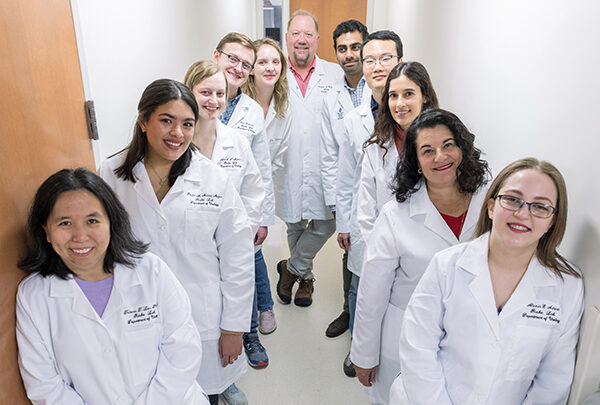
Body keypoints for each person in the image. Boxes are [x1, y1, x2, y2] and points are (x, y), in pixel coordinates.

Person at [99, 79, 254, 405]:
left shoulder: (212, 178)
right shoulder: (111, 175)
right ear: (143, 121)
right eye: (166, 120)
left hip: (204, 316)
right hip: (138, 314)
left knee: (202, 395)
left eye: (187, 124)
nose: (178, 133)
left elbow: (237, 256)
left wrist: (234, 328)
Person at [393, 158, 584, 404]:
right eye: (513, 199)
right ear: (491, 207)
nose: (523, 213)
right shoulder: (447, 265)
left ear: (552, 221)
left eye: (540, 207)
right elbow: (418, 348)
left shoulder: (568, 287)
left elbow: (553, 380)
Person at [16, 168, 209, 404]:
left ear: (111, 222)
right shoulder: (33, 296)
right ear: (46, 231)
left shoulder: (151, 271)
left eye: (92, 221)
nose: (80, 235)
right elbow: (44, 385)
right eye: (65, 223)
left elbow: (183, 352)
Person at [351, 109, 490, 404]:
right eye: (428, 151)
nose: (440, 156)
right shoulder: (395, 215)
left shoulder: (489, 205)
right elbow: (371, 293)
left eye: (448, 145)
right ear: (415, 162)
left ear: (462, 149)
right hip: (405, 337)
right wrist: (363, 353)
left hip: (471, 338)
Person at [183, 60, 268, 375]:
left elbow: (252, 192)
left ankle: (225, 373)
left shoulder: (236, 141)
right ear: (189, 92)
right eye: (205, 92)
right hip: (189, 248)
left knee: (233, 301)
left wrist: (238, 235)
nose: (213, 101)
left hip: (230, 243)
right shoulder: (176, 143)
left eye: (220, 93)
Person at [336, 30, 404, 377]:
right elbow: (347, 176)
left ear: (399, 62)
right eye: (369, 59)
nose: (377, 66)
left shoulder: (414, 113)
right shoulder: (353, 120)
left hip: (405, 226)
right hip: (365, 221)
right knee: (360, 283)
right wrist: (344, 224)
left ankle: (389, 347)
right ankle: (358, 347)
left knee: (396, 292)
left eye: (386, 58)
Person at [213, 33, 276, 364]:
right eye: (232, 59)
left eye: (245, 64)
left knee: (244, 271)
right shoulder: (197, 99)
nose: (238, 68)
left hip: (240, 210)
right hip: (203, 208)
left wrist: (263, 217)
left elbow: (261, 168)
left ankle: (250, 334)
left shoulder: (252, 110)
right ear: (217, 56)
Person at [276, 9, 344, 308]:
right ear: (287, 38)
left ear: (317, 40)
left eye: (307, 34)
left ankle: (290, 268)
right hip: (287, 164)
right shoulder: (273, 72)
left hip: (324, 164)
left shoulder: (334, 73)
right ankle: (305, 279)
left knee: (327, 222)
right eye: (296, 34)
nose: (301, 40)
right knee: (294, 223)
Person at [320, 19, 371, 346]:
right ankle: (348, 310)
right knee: (350, 248)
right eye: (343, 48)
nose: (349, 54)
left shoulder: (382, 89)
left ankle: (367, 321)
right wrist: (337, 204)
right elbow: (329, 154)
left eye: (355, 47)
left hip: (381, 189)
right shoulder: (331, 98)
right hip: (349, 187)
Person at [241, 36, 292, 334]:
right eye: (262, 62)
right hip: (234, 189)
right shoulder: (235, 103)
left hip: (260, 189)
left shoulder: (282, 105)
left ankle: (265, 308)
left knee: (254, 249)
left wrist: (263, 211)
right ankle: (263, 308)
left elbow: (272, 163)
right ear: (251, 68)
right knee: (251, 254)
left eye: (276, 62)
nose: (270, 67)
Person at [358, 61, 439, 242]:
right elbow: (366, 211)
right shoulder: (376, 147)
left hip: (432, 245)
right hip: (386, 244)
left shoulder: (444, 145)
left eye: (408, 94)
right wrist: (380, 254)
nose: (400, 104)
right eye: (393, 95)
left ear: (424, 96)